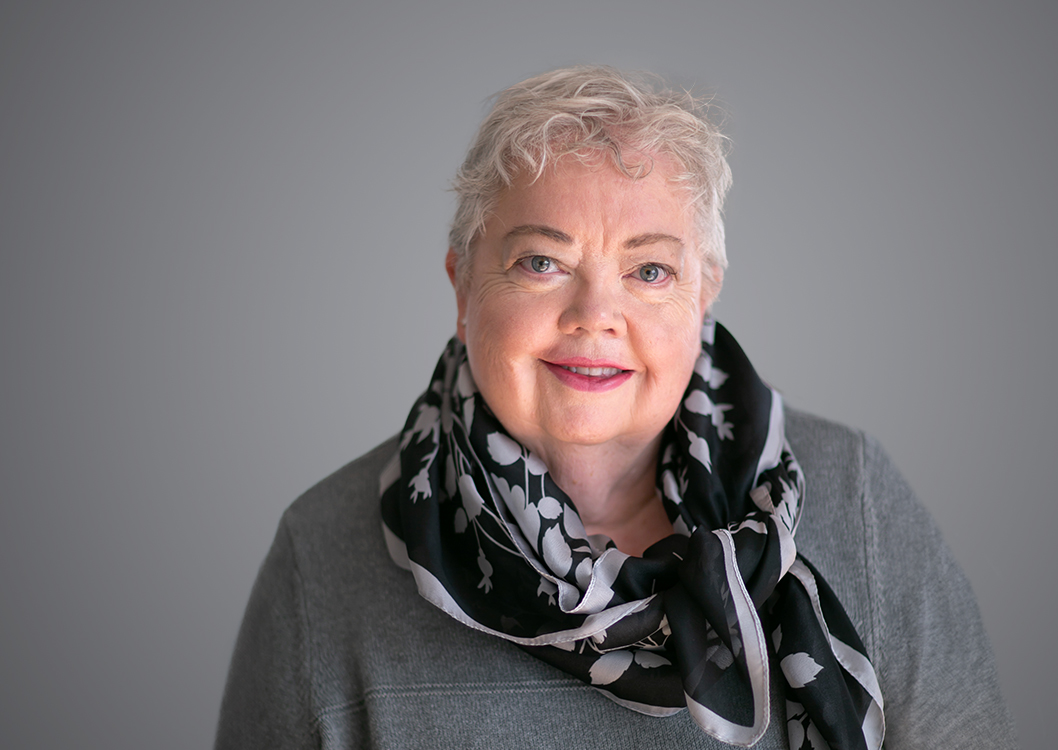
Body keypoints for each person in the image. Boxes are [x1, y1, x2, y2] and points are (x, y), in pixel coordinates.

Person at [215, 66, 1017, 749]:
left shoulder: (856, 501)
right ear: (463, 286)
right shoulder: (323, 558)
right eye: (541, 261)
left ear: (705, 294)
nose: (595, 315)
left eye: (651, 272)